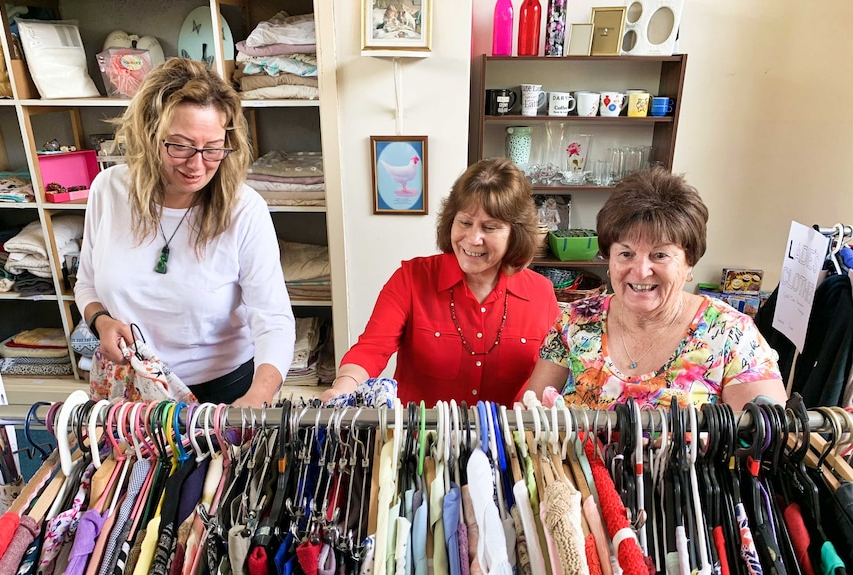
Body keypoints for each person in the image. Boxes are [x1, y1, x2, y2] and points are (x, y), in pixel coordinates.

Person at [75, 58, 295, 407]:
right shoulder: (108, 190)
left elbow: (273, 319)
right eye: (179, 146)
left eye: (212, 149)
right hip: (130, 389)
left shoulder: (244, 209)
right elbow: (86, 283)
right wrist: (100, 321)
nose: (196, 165)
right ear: (150, 135)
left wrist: (259, 395)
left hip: (220, 393)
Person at [525, 166, 787, 411]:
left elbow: (767, 441)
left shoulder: (731, 335)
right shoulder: (574, 320)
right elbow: (530, 419)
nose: (640, 271)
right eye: (626, 254)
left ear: (689, 262)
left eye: (659, 255)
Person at [320, 157, 560, 405]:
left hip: (507, 441)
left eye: (490, 227)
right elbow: (371, 349)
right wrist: (342, 389)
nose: (473, 238)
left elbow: (552, 377)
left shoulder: (541, 294)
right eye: (465, 222)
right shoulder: (410, 279)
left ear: (515, 234)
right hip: (418, 440)